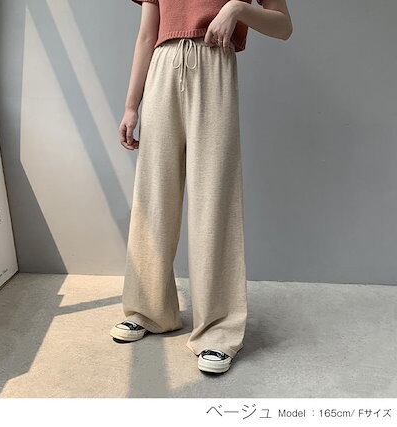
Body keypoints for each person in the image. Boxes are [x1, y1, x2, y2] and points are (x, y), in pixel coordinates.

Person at [110, 0, 293, 374]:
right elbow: (147, 34)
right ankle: (148, 310)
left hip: (214, 63)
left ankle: (219, 330)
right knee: (154, 194)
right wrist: (131, 105)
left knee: (214, 197)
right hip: (162, 66)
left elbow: (282, 26)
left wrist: (237, 9)